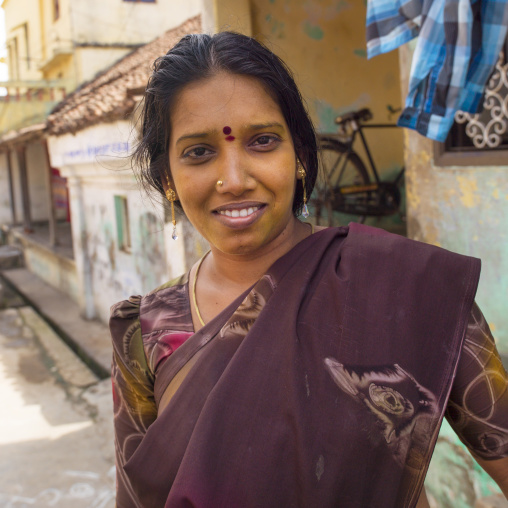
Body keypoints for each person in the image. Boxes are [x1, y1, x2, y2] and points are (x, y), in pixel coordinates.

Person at [110, 32, 508, 507]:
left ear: (299, 155)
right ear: (167, 178)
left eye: (262, 141)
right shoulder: (144, 331)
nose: (234, 179)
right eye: (199, 151)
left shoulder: (409, 290)